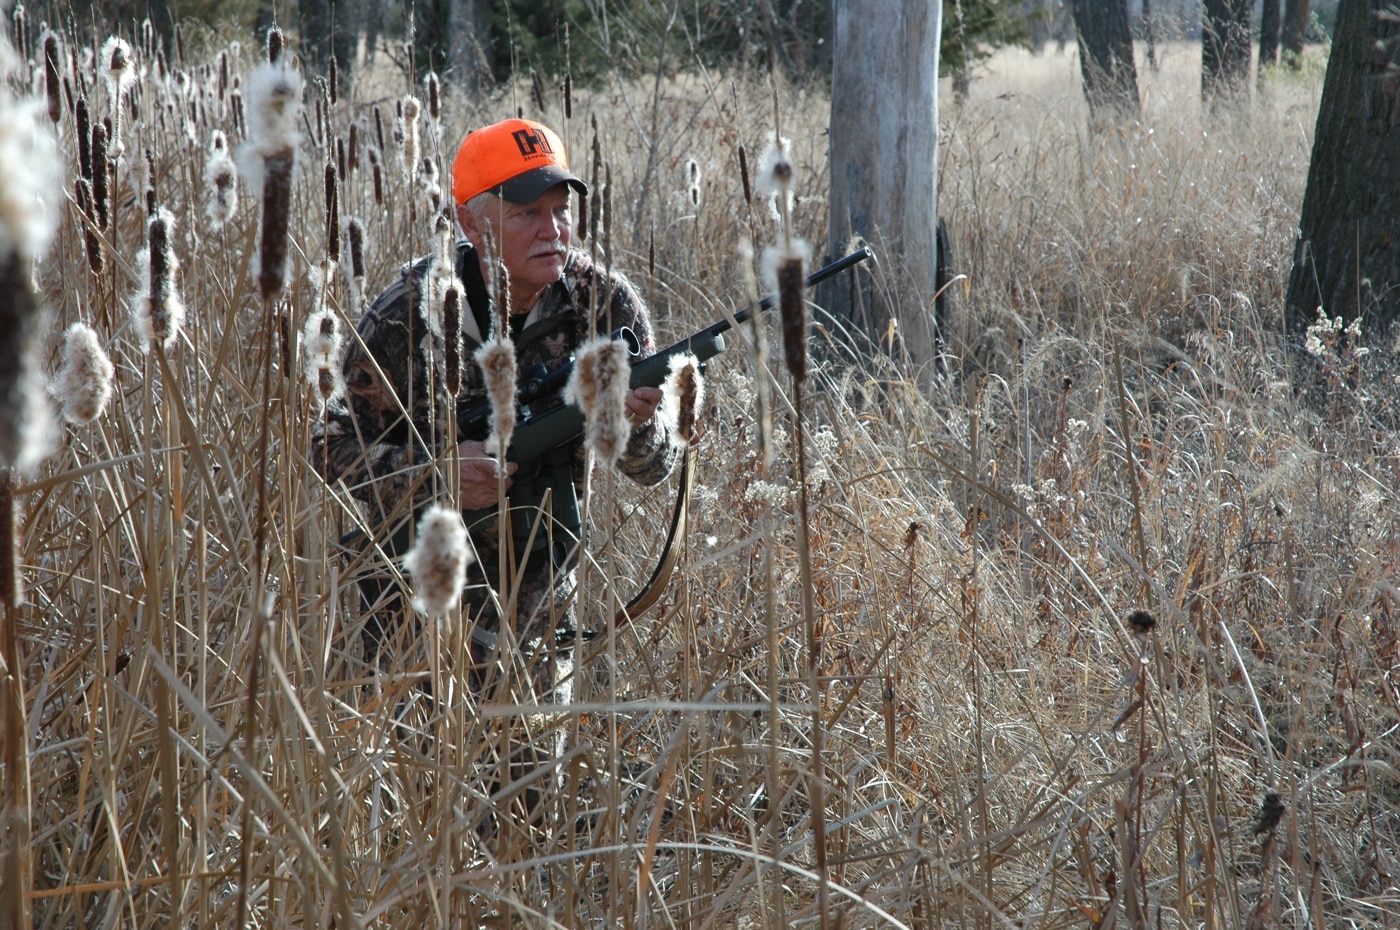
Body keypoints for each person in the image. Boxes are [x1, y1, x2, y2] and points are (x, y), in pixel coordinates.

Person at [312, 117, 682, 700]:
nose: (552, 230)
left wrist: (633, 423)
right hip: (414, 613)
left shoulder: (604, 307)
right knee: (422, 783)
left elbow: (655, 468)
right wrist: (438, 477)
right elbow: (327, 449)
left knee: (533, 785)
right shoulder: (407, 315)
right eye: (526, 214)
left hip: (537, 622)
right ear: (470, 222)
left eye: (561, 210)